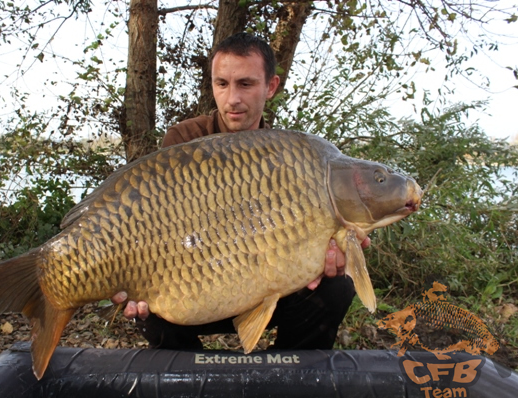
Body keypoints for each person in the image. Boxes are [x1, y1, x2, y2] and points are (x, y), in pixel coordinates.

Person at [112, 32, 369, 350]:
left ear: (270, 87)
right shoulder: (184, 142)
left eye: (245, 84)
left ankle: (292, 373)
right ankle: (187, 381)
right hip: (196, 290)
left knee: (338, 285)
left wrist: (331, 249)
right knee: (145, 304)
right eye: (222, 84)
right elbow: (160, 231)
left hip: (266, 288)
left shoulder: (290, 157)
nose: (232, 98)